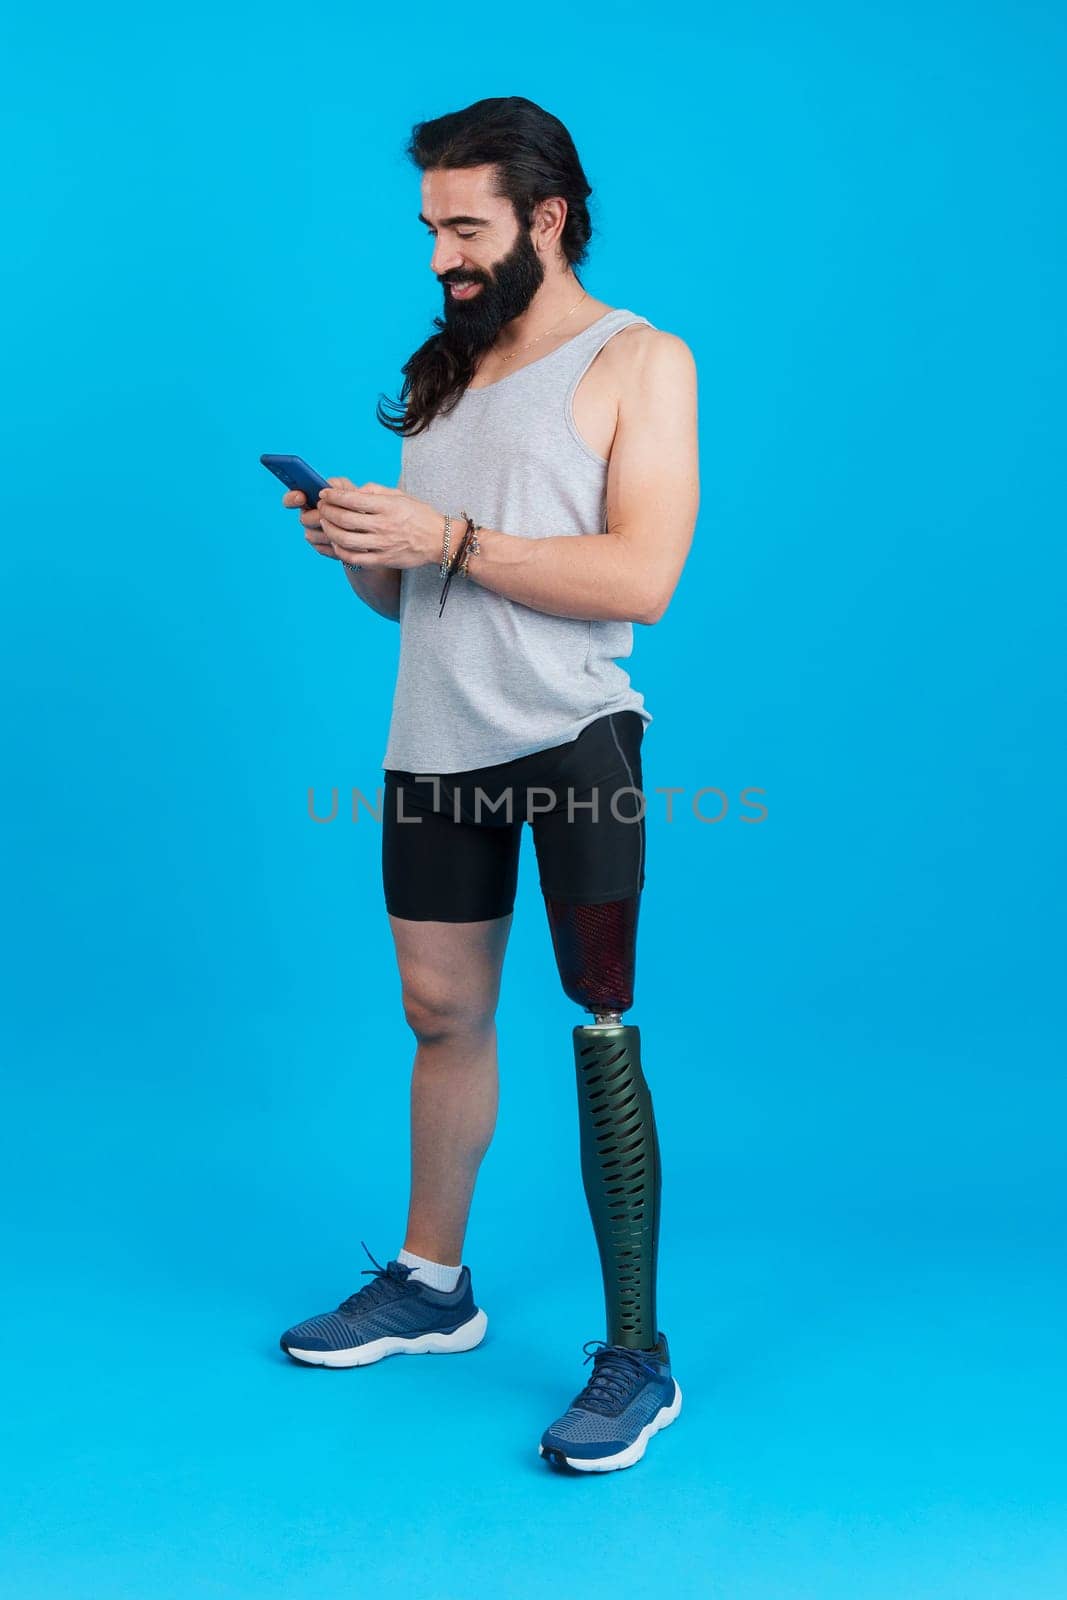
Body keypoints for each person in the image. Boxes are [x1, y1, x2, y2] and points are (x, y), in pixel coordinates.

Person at [276, 96, 699, 1473]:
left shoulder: (642, 360)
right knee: (438, 1010)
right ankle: (432, 1284)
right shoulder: (448, 375)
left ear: (547, 219)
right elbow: (421, 602)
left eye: (466, 227)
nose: (443, 255)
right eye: (431, 229)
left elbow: (640, 577)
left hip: (574, 735)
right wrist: (361, 543)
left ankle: (637, 1355)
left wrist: (446, 534)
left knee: (599, 1021)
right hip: (435, 739)